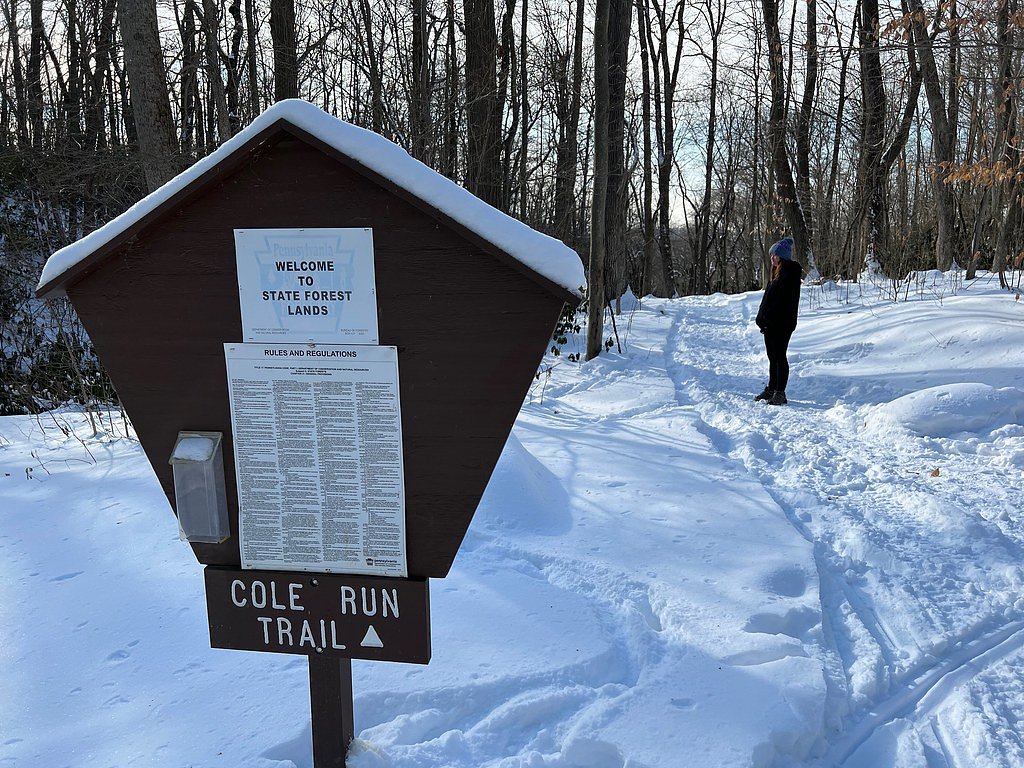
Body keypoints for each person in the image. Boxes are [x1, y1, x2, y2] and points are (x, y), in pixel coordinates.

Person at [754, 236, 801, 405]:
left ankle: (780, 392)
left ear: (782, 256)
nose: (772, 258)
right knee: (772, 357)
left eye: (775, 255)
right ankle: (772, 388)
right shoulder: (777, 273)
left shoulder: (789, 275)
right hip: (770, 324)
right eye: (771, 255)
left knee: (779, 356)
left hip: (781, 324)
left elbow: (781, 303)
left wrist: (767, 319)